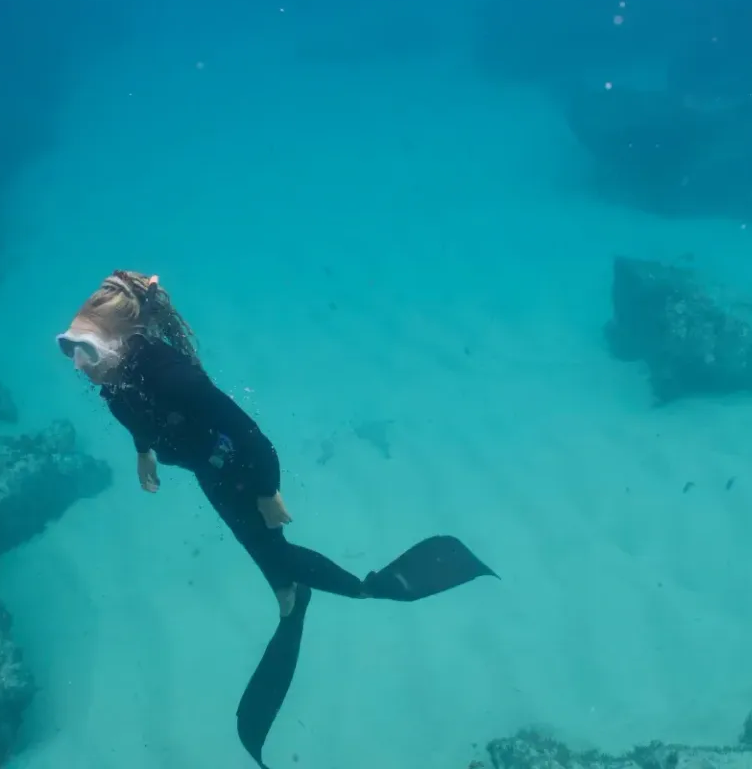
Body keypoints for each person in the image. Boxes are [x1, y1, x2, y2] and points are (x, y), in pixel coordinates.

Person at [56, 269, 494, 766]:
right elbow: (139, 418)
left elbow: (250, 433)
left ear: (120, 341)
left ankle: (360, 589)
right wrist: (144, 453)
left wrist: (268, 493)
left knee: (271, 548)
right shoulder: (116, 381)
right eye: (68, 347)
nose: (78, 364)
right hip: (209, 472)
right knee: (258, 549)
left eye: (85, 349)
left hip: (241, 470)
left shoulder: (175, 375)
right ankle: (289, 596)